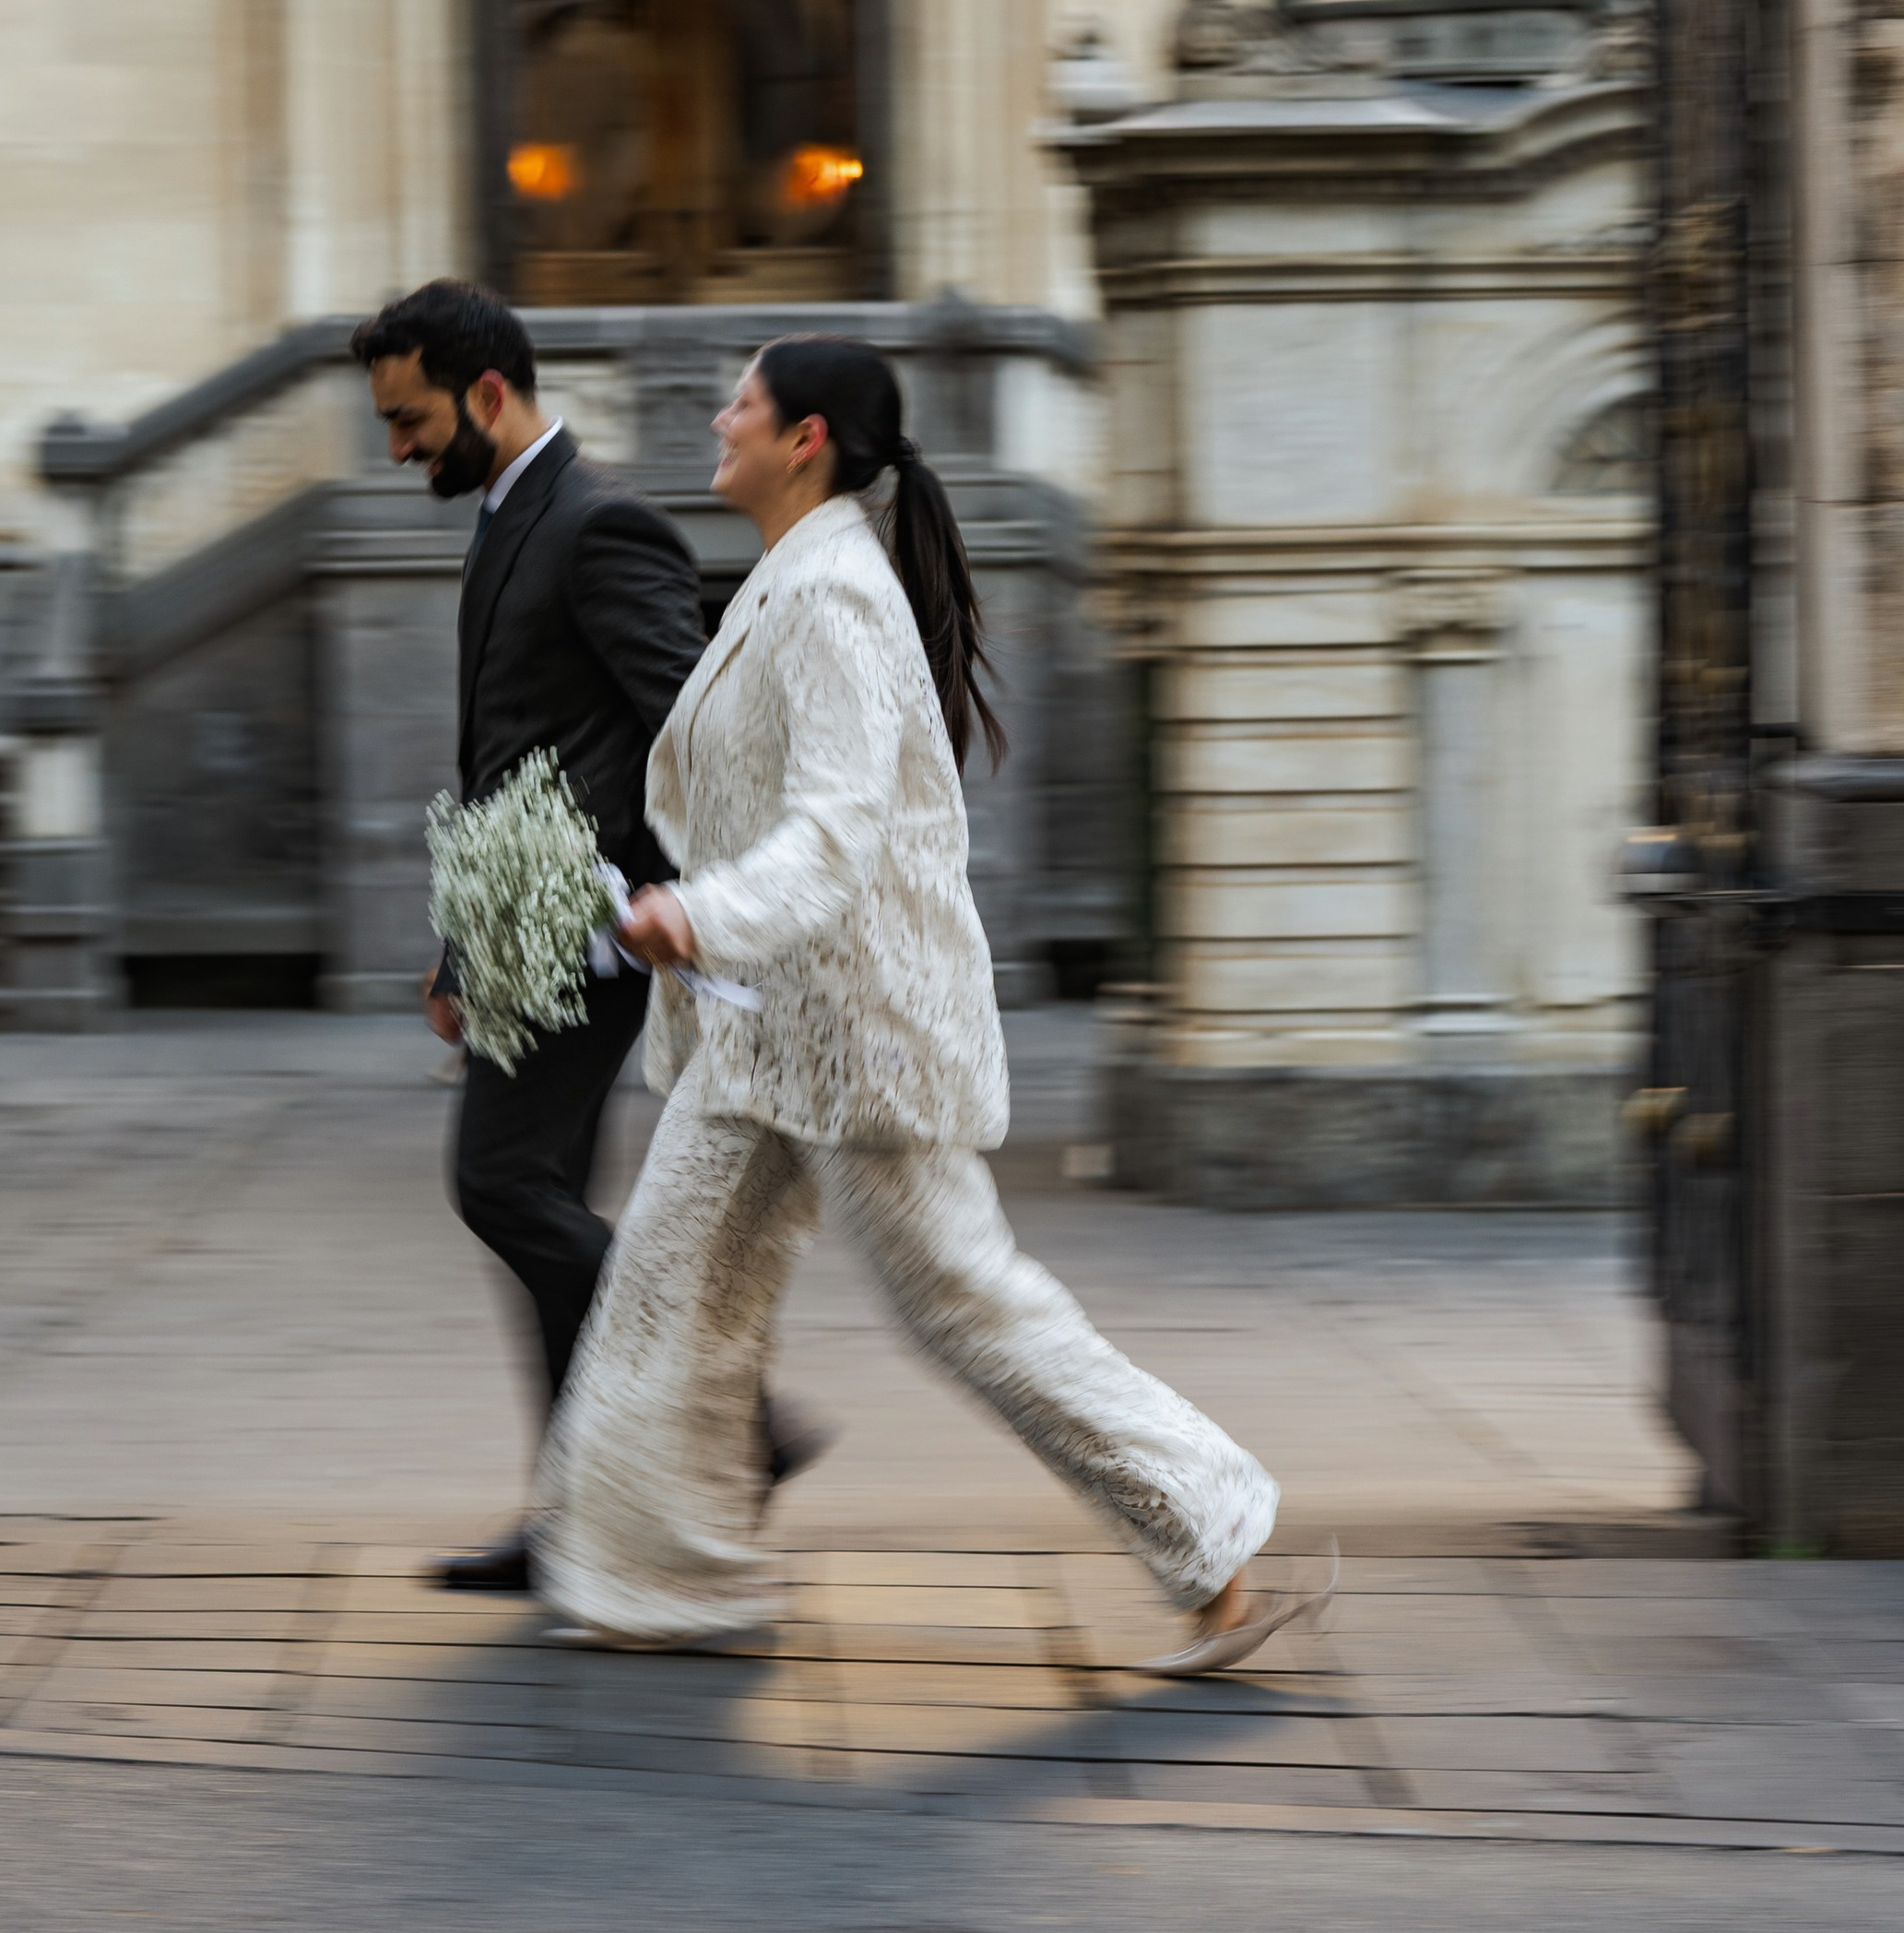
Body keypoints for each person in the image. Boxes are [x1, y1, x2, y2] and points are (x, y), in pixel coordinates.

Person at [534, 336, 1334, 1675]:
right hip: (762, 1027)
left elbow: (838, 827)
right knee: (668, 1285)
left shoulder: (834, 593)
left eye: (743, 401)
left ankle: (1214, 1543)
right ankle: (656, 1578)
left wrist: (702, 912)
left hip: (859, 1035)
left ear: (806, 440)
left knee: (961, 1304)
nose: (719, 419)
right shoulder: (793, 576)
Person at [356, 280, 734, 1593]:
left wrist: (650, 901)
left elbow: (690, 726)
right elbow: (512, 754)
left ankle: (729, 1411)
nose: (397, 448)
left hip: (588, 932)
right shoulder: (513, 514)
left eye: (411, 420)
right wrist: (467, 944)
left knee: (501, 1188)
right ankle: (578, 1516)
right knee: (544, 1221)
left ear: (488, 393)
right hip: (521, 931)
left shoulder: (600, 522)